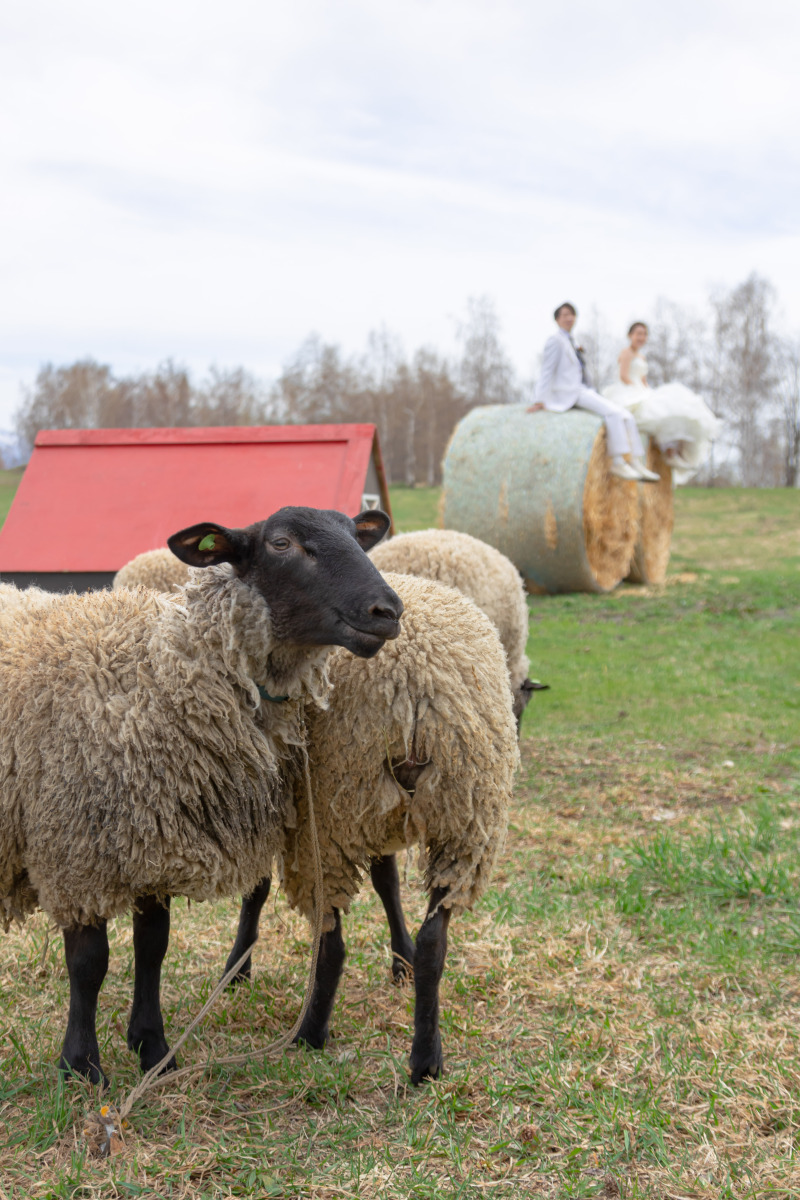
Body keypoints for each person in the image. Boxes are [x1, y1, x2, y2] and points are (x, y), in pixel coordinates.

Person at [528, 304, 659, 482]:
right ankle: (618, 462)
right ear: (557, 319)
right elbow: (547, 370)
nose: (569, 318)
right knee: (613, 413)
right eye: (565, 315)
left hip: (584, 390)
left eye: (572, 314)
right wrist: (539, 399)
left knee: (626, 415)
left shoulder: (572, 341)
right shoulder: (555, 340)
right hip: (570, 392)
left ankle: (636, 461)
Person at [602, 322, 721, 484]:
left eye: (644, 334)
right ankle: (644, 458)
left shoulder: (641, 357)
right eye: (638, 333)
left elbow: (644, 382)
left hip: (641, 390)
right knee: (656, 412)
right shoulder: (626, 353)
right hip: (627, 392)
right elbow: (624, 376)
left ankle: (672, 452)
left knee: (672, 406)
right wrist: (641, 391)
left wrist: (648, 391)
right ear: (630, 335)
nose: (641, 337)